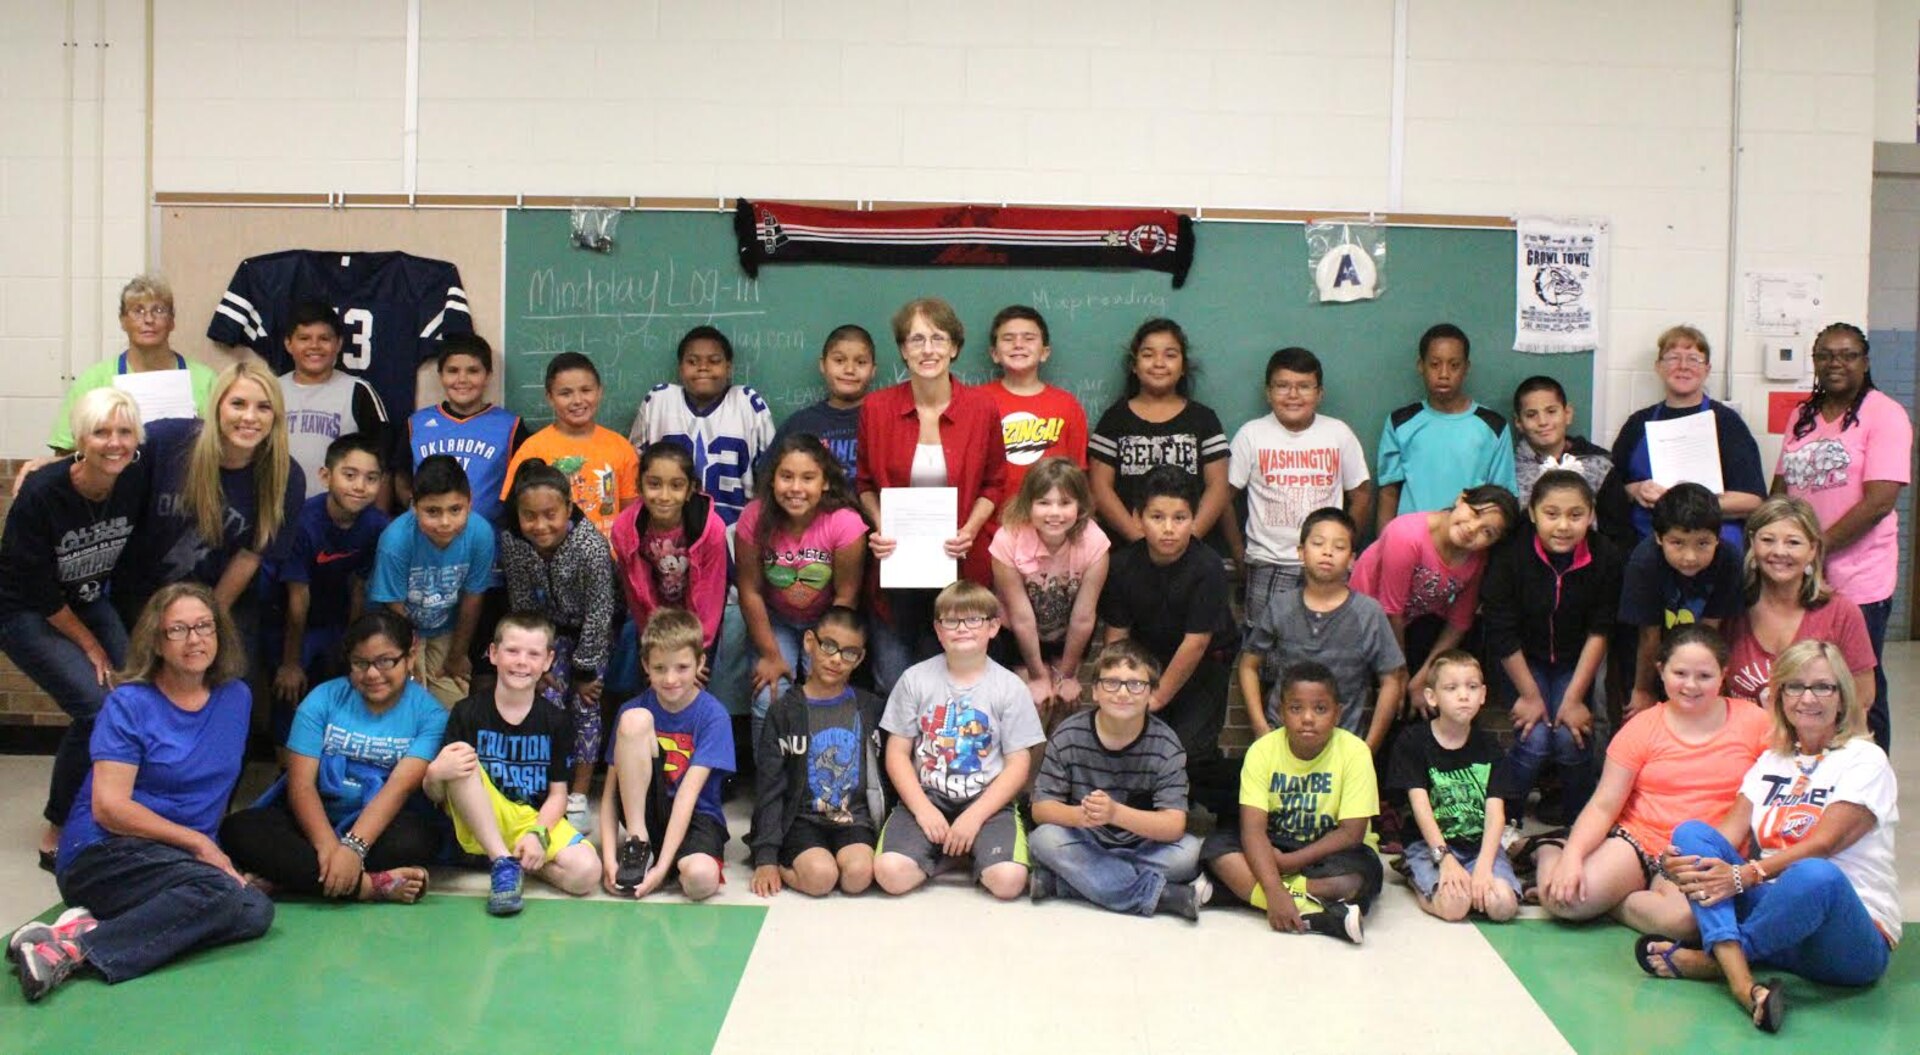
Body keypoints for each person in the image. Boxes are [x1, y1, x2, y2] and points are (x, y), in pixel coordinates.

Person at [8, 584, 270, 1003]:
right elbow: (110, 808)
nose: (195, 639)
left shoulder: (236, 698)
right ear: (157, 642)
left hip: (170, 856)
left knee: (254, 910)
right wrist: (200, 845)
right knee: (223, 897)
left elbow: (211, 795)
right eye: (178, 630)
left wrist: (211, 857)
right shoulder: (129, 702)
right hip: (103, 853)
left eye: (204, 626)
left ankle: (85, 928)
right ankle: (68, 951)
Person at [1640, 640, 1899, 1034]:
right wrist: (1672, 863)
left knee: (1816, 874)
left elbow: (1824, 844)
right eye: (1794, 686)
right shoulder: (1772, 761)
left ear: (1842, 697)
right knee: (1692, 833)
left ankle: (1721, 962)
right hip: (1776, 917)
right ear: (1779, 698)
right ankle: (1743, 977)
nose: (1807, 698)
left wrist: (1743, 875)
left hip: (1848, 936)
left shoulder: (1866, 759)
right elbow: (1726, 833)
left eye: (1822, 687)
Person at [1537, 626, 1770, 934]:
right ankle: (1550, 849)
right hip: (1639, 842)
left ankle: (1618, 903)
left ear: (1723, 674)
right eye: (1680, 673)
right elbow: (1604, 805)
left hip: (1700, 852)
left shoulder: (1754, 721)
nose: (1691, 685)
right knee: (1564, 901)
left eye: (1704, 676)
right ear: (1661, 671)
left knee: (1685, 924)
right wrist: (1572, 857)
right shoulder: (1641, 727)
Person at [0, 389, 147, 872]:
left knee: (136, 695)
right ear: (80, 439)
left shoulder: (133, 477)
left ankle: (114, 810)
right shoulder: (41, 494)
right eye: (101, 432)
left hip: (88, 598)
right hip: (26, 612)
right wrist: (90, 647)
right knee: (96, 706)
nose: (114, 443)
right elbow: (39, 593)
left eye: (124, 432)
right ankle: (58, 827)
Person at [221, 610, 446, 904]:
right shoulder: (322, 699)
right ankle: (368, 886)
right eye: (360, 663)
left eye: (386, 661)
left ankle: (291, 877)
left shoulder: (431, 715)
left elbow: (399, 787)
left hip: (380, 822)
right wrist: (328, 847)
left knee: (417, 839)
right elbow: (300, 785)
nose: (372, 674)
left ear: (409, 656)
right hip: (314, 820)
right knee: (238, 829)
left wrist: (353, 848)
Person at [857, 297, 1008, 692]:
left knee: (955, 685)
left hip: (959, 566)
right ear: (903, 350)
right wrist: (881, 524)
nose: (928, 350)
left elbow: (995, 482)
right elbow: (865, 484)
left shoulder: (982, 408)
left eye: (938, 338)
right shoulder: (876, 408)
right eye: (917, 339)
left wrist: (971, 530)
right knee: (895, 683)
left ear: (955, 347)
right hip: (895, 570)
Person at [1775, 321, 1911, 747]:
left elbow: (1879, 501)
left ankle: (1871, 786)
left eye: (1848, 355)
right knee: (1808, 676)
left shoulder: (1884, 413)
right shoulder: (1802, 415)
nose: (1836, 363)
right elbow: (1781, 487)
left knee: (1858, 682)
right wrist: (1776, 542)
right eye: (1826, 355)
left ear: (1865, 362)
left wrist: (1814, 550)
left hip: (1859, 575)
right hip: (1802, 572)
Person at [872, 581, 1046, 900]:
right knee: (890, 874)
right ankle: (953, 853)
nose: (962, 628)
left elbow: (1019, 764)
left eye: (974, 620)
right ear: (939, 630)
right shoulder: (914, 679)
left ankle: (967, 848)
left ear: (993, 627)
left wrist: (975, 816)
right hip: (928, 795)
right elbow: (897, 754)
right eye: (951, 621)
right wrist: (923, 810)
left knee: (1008, 882)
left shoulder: (1010, 687)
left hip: (988, 800)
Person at [424, 613, 600, 916]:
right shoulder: (467, 712)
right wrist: (434, 773)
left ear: (548, 661)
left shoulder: (556, 721)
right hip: (477, 816)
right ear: (493, 653)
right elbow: (437, 795)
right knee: (460, 757)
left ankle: (508, 862)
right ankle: (502, 860)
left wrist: (538, 835)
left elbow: (559, 795)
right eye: (512, 651)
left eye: (533, 654)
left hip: (528, 819)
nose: (522, 661)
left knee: (586, 873)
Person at [112, 360, 304, 628]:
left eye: (264, 407)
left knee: (229, 669)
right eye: (238, 404)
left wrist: (203, 626)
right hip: (139, 595)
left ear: (276, 416)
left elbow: (249, 556)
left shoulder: (286, 475)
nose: (250, 417)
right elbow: (108, 455)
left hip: (218, 601)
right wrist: (58, 465)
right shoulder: (165, 440)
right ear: (217, 407)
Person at [1202, 661, 1382, 944]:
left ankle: (1237, 893)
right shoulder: (1262, 750)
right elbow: (1253, 830)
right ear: (1281, 712)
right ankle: (1318, 914)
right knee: (1217, 850)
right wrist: (1273, 890)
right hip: (1275, 841)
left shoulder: (1355, 752)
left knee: (1355, 879)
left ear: (1338, 713)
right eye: (1296, 708)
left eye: (1320, 709)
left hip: (1330, 849)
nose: (1308, 718)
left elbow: (1352, 832)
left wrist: (1288, 863)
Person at [1027, 639, 1208, 920]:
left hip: (1143, 845)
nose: (1123, 693)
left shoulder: (1166, 744)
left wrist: (1115, 813)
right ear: (1096, 691)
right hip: (1084, 839)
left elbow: (1174, 825)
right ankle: (1159, 895)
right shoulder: (1069, 734)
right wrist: (1082, 816)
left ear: (1151, 694)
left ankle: (1067, 884)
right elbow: (1041, 809)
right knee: (1043, 840)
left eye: (1135, 685)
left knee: (1189, 853)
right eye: (1111, 683)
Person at [1480, 469, 1620, 824]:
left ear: (1590, 515)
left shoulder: (1605, 556)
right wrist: (1529, 695)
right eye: (1551, 514)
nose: (1563, 526)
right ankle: (1503, 818)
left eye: (1575, 515)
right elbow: (1501, 630)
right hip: (1520, 660)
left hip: (1575, 661)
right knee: (1537, 737)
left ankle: (1580, 820)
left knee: (1571, 738)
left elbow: (1600, 631)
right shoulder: (1511, 555)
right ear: (1533, 513)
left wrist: (1574, 699)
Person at [1098, 466, 1240, 812]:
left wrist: (1157, 698)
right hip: (1148, 663)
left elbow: (1196, 644)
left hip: (1204, 666)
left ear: (1193, 519)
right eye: (1157, 517)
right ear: (1137, 517)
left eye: (1179, 518)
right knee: (1135, 741)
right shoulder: (1122, 566)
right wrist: (1119, 687)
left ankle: (1220, 814)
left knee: (1188, 751)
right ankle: (1146, 815)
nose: (1168, 528)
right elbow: (1117, 638)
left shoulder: (1208, 567)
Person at [497, 459, 616, 816]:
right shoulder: (513, 542)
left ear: (568, 506)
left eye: (551, 514)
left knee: (584, 703)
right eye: (529, 516)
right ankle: (546, 785)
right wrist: (535, 659)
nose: (540, 525)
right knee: (543, 695)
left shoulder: (589, 546)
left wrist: (583, 672)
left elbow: (600, 611)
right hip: (545, 635)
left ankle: (578, 794)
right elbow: (520, 603)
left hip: (588, 639)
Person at [737, 433, 868, 754]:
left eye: (808, 478)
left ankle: (812, 788)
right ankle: (769, 786)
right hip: (775, 621)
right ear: (772, 481)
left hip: (827, 624)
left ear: (824, 483)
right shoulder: (754, 517)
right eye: (786, 477)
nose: (796, 488)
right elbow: (749, 590)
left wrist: (821, 656)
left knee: (821, 691)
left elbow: (846, 597)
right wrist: (771, 654)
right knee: (770, 695)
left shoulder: (845, 524)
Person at [1239, 508, 1406, 753]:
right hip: (1282, 740)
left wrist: (1369, 748)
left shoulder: (1368, 612)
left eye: (1339, 547)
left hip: (1343, 746)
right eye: (1318, 543)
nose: (1327, 552)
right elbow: (1248, 665)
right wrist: (1261, 729)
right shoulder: (1281, 605)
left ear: (1352, 560)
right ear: (1301, 552)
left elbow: (1391, 679)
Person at [747, 605, 886, 898]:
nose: (836, 659)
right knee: (820, 879)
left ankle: (837, 860)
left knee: (859, 877)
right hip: (802, 821)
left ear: (859, 659)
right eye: (829, 646)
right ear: (810, 642)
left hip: (853, 818)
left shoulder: (870, 707)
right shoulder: (784, 711)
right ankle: (792, 867)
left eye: (849, 653)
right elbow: (770, 788)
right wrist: (766, 858)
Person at [598, 608, 735, 901]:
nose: (671, 679)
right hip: (646, 815)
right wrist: (609, 861)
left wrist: (661, 870)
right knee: (636, 720)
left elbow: (687, 795)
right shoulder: (631, 710)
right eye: (660, 668)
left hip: (696, 816)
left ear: (700, 663)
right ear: (646, 665)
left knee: (700, 880)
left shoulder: (713, 716)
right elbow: (611, 793)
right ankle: (638, 843)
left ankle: (663, 862)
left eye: (682, 668)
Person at [1229, 346, 1371, 622]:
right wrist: (1238, 553)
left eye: (1304, 386)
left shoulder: (1338, 433)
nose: (1293, 395)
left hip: (1325, 565)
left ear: (1320, 393)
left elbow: (1362, 495)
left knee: (1325, 643)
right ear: (1268, 392)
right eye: (1283, 386)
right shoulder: (1251, 435)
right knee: (1266, 648)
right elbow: (1223, 496)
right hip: (1268, 563)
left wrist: (1344, 548)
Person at [1385, 650, 1522, 923]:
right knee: (1454, 907)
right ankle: (1415, 874)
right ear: (1432, 697)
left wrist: (1483, 867)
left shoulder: (1490, 747)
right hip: (1430, 846)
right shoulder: (1413, 742)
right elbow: (1421, 807)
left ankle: (1471, 877)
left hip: (1478, 846)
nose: (1463, 695)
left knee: (1503, 906)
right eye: (1451, 688)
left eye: (1472, 687)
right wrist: (1445, 859)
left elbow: (1496, 813)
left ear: (1483, 695)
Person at [272, 432, 390, 746]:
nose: (359, 486)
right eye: (349, 475)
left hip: (339, 620)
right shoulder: (301, 522)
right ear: (326, 476)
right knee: (290, 687)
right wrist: (291, 662)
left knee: (345, 680)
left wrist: (351, 647)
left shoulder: (377, 526)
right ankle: (286, 765)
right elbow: (298, 599)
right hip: (290, 622)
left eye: (371, 478)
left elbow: (359, 588)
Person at [1351, 484, 1519, 701]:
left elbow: (1459, 621)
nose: (1472, 529)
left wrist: (1425, 677)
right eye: (1475, 513)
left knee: (1440, 686)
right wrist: (1401, 672)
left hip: (1413, 623)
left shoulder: (1478, 558)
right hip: (1368, 622)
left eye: (1487, 532)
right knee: (1395, 694)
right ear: (1461, 499)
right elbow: (1391, 610)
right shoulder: (1406, 535)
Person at [1608, 324, 1766, 548]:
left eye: (1694, 359)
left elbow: (1753, 500)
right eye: (1673, 358)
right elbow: (1612, 487)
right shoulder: (1637, 423)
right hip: (1646, 542)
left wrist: (1689, 504)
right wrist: (1637, 489)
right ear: (1658, 367)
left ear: (1707, 369)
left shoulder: (1727, 423)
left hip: (1714, 546)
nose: (1683, 366)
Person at [1088, 318, 1234, 555]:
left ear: (1183, 366)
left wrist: (1187, 538)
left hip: (1191, 554)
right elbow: (1100, 487)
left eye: (1170, 355)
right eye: (1148, 354)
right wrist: (1136, 539)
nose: (1158, 363)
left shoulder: (1203, 419)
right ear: (1134, 365)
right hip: (1128, 554)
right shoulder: (1114, 420)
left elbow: (1217, 486)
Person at [1722, 497, 1875, 709]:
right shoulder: (1728, 609)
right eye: (1767, 540)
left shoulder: (1842, 613)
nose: (1779, 551)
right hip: (1743, 740)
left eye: (1793, 542)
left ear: (1812, 549)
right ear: (1751, 542)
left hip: (1819, 740)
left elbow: (1863, 698)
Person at [367, 454, 496, 706]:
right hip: (396, 628)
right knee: (407, 697)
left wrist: (458, 653)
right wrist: (409, 652)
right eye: (433, 511)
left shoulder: (481, 534)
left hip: (445, 628)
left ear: (470, 504)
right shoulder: (395, 541)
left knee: (451, 701)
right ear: (414, 506)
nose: (445, 522)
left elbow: (473, 597)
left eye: (455, 510)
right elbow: (393, 607)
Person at [989, 457, 1111, 720]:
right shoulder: (1008, 538)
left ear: (1080, 506)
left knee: (1066, 701)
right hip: (1018, 635)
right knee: (1033, 704)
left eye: (1065, 503)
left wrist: (1065, 676)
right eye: (1043, 502)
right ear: (1027, 504)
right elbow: (1021, 616)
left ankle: (1056, 760)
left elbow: (1083, 617)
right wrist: (1036, 675)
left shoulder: (1095, 542)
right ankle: (1028, 761)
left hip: (1067, 634)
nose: (1054, 513)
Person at [47, 274, 218, 454]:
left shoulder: (205, 380)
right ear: (123, 321)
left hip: (185, 478)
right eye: (138, 311)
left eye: (159, 310)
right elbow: (64, 451)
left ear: (172, 321)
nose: (149, 320)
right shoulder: (94, 380)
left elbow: (222, 448)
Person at [1374, 323, 1517, 533]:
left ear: (1466, 368)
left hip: (1469, 540)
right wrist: (1383, 547)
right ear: (1420, 366)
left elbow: (1503, 499)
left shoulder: (1492, 425)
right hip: (1411, 540)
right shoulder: (1400, 422)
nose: (1443, 374)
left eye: (1454, 365)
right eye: (1434, 364)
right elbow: (1389, 493)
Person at [1617, 483, 1744, 718]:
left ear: (1718, 538)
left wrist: (1709, 684)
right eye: (1677, 543)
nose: (1690, 557)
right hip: (1647, 658)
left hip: (1699, 658)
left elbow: (1711, 630)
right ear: (1658, 537)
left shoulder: (1729, 560)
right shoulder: (1644, 563)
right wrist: (1643, 689)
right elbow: (1648, 635)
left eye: (1703, 543)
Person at [628, 325, 777, 527]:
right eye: (692, 361)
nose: (703, 367)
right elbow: (634, 468)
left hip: (733, 533)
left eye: (714, 361)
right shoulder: (659, 401)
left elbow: (770, 475)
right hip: (667, 534)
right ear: (680, 368)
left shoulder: (747, 403)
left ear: (728, 367)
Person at [610, 441, 729, 654]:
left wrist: (698, 648)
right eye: (654, 484)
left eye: (676, 486)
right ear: (639, 486)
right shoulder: (625, 530)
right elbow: (636, 594)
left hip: (701, 627)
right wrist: (653, 641)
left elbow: (711, 593)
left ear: (691, 489)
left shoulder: (711, 530)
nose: (664, 497)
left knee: (693, 679)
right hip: (653, 621)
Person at [504, 352, 638, 538]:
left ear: (600, 391)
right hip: (552, 561)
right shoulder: (532, 450)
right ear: (550, 397)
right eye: (565, 393)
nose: (577, 400)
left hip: (609, 561)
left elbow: (630, 517)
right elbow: (515, 513)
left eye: (586, 390)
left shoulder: (621, 448)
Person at [405, 333, 529, 525]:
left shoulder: (510, 427)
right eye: (453, 371)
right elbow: (401, 478)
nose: (462, 379)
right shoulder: (417, 424)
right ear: (441, 375)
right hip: (427, 538)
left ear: (488, 375)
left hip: (488, 541)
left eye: (473, 371)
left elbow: (524, 486)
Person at [275, 299, 389, 500]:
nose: (314, 346)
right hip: (278, 512)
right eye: (304, 338)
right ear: (288, 344)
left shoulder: (358, 391)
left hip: (339, 516)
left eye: (324, 339)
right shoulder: (271, 390)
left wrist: (378, 524)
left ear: (339, 343)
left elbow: (382, 465)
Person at [982, 305, 1089, 506]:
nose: (1018, 344)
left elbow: (1078, 475)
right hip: (989, 527)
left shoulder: (1067, 405)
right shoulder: (976, 401)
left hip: (1052, 528)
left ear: (1045, 352)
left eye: (1029, 338)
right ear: (994, 353)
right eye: (1008, 338)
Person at [766, 324, 877, 481]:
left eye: (861, 362)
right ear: (823, 365)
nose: (850, 369)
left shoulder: (885, 422)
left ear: (873, 370)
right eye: (839, 360)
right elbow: (768, 480)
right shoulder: (799, 424)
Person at [1510, 375, 1613, 509]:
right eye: (1531, 415)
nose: (1543, 422)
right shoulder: (1509, 471)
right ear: (1518, 422)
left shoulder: (1600, 466)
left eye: (1551, 411)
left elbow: (1616, 527)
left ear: (1567, 414)